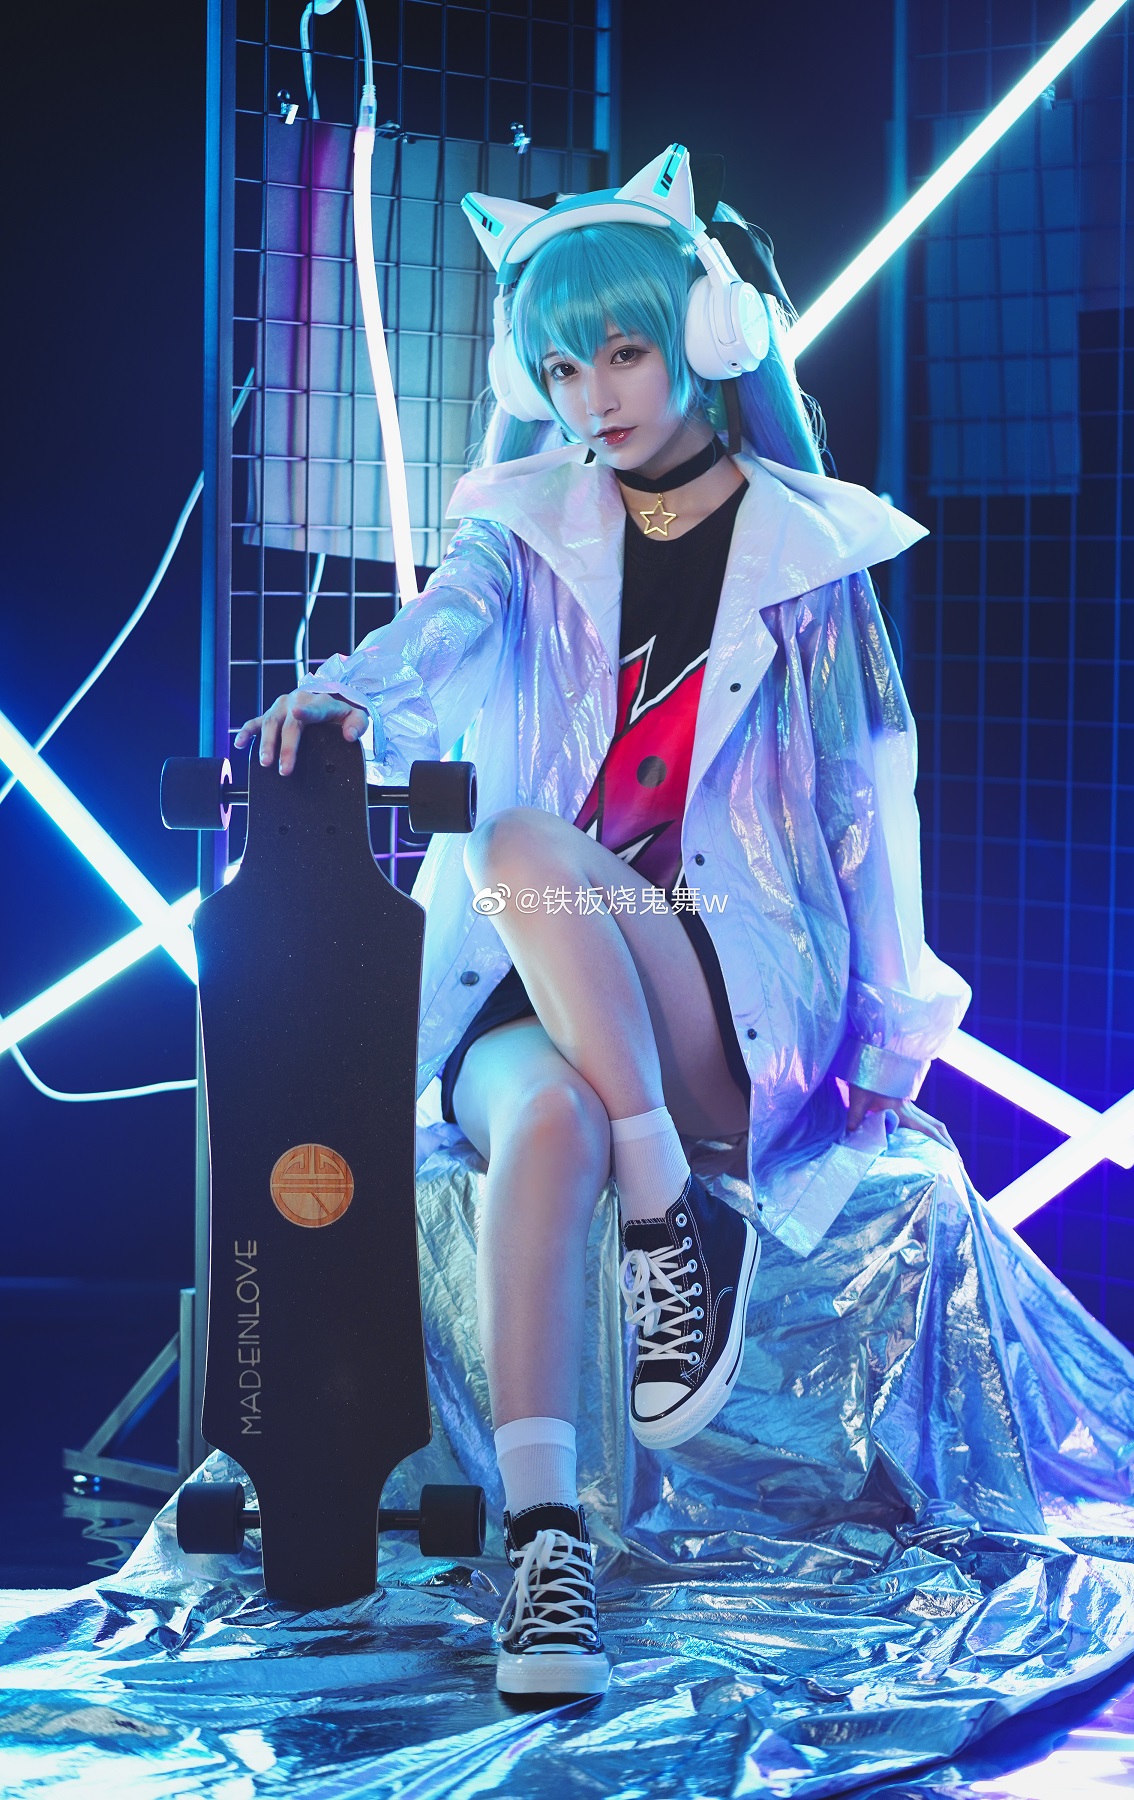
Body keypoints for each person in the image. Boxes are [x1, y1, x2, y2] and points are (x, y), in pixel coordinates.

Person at [233, 145, 970, 1699]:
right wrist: (339, 693)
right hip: (525, 977)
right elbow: (437, 632)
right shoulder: (523, 527)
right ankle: (548, 1546)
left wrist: (887, 1041)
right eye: (563, 368)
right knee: (545, 1107)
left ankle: (663, 1196)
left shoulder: (808, 552)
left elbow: (867, 801)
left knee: (513, 836)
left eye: (623, 352)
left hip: (718, 985)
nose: (593, 397)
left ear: (707, 333)